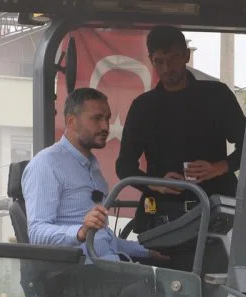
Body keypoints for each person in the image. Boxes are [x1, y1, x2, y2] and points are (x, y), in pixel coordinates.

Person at [117, 26, 246, 271]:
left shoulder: (217, 96)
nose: (167, 68)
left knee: (215, 277)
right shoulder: (143, 107)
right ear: (151, 60)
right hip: (162, 218)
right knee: (163, 283)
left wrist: (219, 167)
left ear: (187, 55)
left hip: (215, 214)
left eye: (174, 58)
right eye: (160, 61)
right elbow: (124, 166)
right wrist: (155, 184)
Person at [21, 87, 169, 264]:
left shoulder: (92, 166)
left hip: (108, 266)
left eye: (107, 118)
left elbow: (103, 239)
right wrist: (80, 232)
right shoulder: (46, 164)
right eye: (97, 119)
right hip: (78, 274)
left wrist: (149, 252)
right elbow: (36, 234)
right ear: (71, 121)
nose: (105, 126)